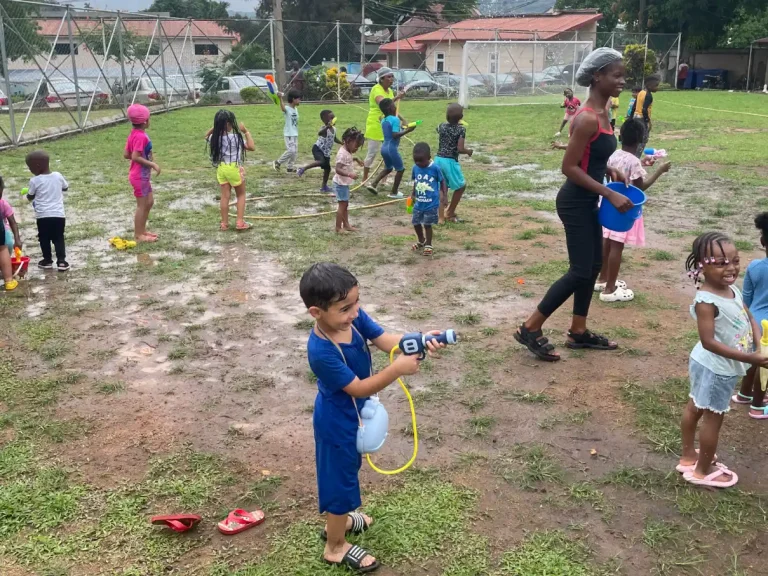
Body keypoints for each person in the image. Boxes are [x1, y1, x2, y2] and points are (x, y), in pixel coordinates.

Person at [300, 262, 444, 572]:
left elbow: (384, 339)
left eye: (356, 302)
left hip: (354, 417)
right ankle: (335, 545)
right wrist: (396, 369)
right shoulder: (321, 351)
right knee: (339, 481)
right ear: (317, 312)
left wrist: (418, 339)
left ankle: (339, 522)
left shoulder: (351, 319)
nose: (355, 312)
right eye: (345, 308)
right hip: (336, 422)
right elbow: (358, 387)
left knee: (348, 472)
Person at [515, 48, 633, 362]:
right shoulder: (586, 118)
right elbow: (568, 167)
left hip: (587, 199)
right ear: (597, 76)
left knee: (593, 266)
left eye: (623, 74)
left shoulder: (602, 112)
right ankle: (531, 327)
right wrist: (608, 193)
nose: (622, 80)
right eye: (616, 75)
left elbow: (588, 155)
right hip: (574, 203)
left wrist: (607, 169)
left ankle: (578, 332)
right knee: (580, 271)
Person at [678, 232, 768, 488]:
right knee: (711, 416)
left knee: (696, 405)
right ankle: (702, 470)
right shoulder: (707, 301)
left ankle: (688, 457)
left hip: (711, 363)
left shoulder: (731, 290)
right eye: (720, 263)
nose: (731, 268)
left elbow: (747, 314)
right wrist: (750, 357)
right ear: (701, 266)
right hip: (716, 367)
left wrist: (759, 338)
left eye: (735, 260)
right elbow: (709, 342)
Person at [596, 118, 671, 302]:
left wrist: (642, 163)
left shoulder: (613, 155)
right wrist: (659, 171)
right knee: (617, 246)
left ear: (620, 136)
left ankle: (602, 278)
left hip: (607, 206)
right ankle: (610, 289)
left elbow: (626, 165)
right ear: (641, 140)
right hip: (623, 209)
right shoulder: (634, 162)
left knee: (606, 242)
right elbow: (641, 188)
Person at [734, 214, 768, 417]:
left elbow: (745, 299)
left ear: (762, 241)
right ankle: (758, 406)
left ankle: (744, 394)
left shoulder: (754, 266)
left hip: (752, 320)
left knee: (754, 360)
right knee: (765, 367)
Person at [205, 109, 255, 231]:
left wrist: (216, 126)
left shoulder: (214, 138)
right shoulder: (235, 138)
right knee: (241, 195)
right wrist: (246, 132)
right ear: (228, 124)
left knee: (225, 197)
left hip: (221, 169)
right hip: (234, 168)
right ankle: (240, 223)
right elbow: (251, 147)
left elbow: (206, 135)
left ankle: (224, 224)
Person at [25, 150, 69, 272]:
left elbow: (30, 196)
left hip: (43, 216)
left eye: (30, 167)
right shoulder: (58, 176)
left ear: (38, 166)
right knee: (59, 237)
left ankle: (47, 260)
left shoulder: (35, 181)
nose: (30, 170)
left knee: (44, 238)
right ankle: (61, 261)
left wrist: (28, 195)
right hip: (59, 215)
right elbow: (65, 187)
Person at [362, 68, 405, 187]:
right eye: (388, 77)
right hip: (376, 124)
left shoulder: (390, 91)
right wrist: (397, 97)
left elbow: (392, 108)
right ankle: (365, 179)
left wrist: (403, 119)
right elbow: (384, 104)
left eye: (392, 76)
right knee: (372, 153)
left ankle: (384, 179)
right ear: (381, 79)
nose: (391, 79)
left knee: (387, 152)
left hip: (388, 124)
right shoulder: (376, 89)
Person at [124, 103, 160, 243]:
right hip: (139, 176)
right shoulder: (141, 137)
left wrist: (143, 156)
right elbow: (134, 156)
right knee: (142, 205)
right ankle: (138, 235)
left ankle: (142, 231)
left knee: (149, 202)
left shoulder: (134, 134)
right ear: (145, 121)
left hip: (141, 176)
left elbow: (126, 154)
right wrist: (152, 164)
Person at [365, 98, 415, 199]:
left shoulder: (384, 119)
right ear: (390, 108)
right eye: (393, 105)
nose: (395, 106)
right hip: (391, 149)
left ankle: (373, 184)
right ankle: (394, 192)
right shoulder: (395, 119)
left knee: (388, 168)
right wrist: (408, 131)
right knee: (400, 170)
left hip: (384, 148)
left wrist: (403, 127)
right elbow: (395, 135)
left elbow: (392, 130)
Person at [434, 103, 473, 224]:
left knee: (442, 186)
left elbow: (438, 129)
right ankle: (450, 212)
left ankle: (440, 215)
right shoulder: (461, 129)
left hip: (438, 159)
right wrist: (468, 151)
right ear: (461, 117)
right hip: (449, 161)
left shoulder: (441, 126)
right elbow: (460, 149)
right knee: (461, 186)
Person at [410, 142, 445, 256]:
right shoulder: (415, 168)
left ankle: (429, 244)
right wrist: (413, 194)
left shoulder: (435, 168)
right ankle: (421, 240)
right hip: (419, 203)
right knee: (415, 222)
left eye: (421, 161)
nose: (419, 163)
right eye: (416, 161)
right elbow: (416, 181)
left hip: (431, 204)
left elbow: (442, 181)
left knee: (427, 224)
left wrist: (444, 195)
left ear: (429, 158)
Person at [298, 110, 341, 193]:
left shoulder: (334, 129)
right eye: (331, 118)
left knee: (327, 169)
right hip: (318, 148)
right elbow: (320, 133)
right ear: (325, 120)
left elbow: (334, 138)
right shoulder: (324, 128)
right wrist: (327, 127)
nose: (333, 119)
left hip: (326, 152)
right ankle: (303, 168)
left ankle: (324, 187)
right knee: (321, 161)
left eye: (334, 117)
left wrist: (342, 143)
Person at [333, 127, 365, 234]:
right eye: (356, 146)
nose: (356, 149)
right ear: (348, 141)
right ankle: (338, 228)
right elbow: (337, 169)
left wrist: (356, 159)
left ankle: (346, 225)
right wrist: (349, 174)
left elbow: (349, 159)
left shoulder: (347, 151)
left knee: (345, 205)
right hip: (340, 184)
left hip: (343, 183)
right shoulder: (342, 154)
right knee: (342, 206)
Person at [629, 75, 660, 158]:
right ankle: (636, 158)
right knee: (643, 139)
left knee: (635, 138)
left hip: (636, 117)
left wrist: (631, 118)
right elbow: (644, 109)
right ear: (649, 86)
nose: (657, 88)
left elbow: (634, 107)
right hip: (642, 119)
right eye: (656, 86)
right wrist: (647, 121)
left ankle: (631, 155)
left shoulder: (640, 93)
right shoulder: (649, 96)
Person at [0, 175, 22, 291]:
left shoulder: (3, 204)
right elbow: (13, 222)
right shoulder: (2, 203)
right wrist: (17, 238)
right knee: (3, 249)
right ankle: (8, 280)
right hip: (2, 231)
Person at [273, 89, 301, 173]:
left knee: (295, 152)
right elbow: (282, 108)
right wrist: (280, 98)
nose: (300, 100)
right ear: (293, 99)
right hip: (289, 134)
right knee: (291, 150)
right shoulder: (287, 109)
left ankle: (290, 167)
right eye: (298, 99)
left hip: (295, 133)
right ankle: (277, 162)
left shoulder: (295, 109)